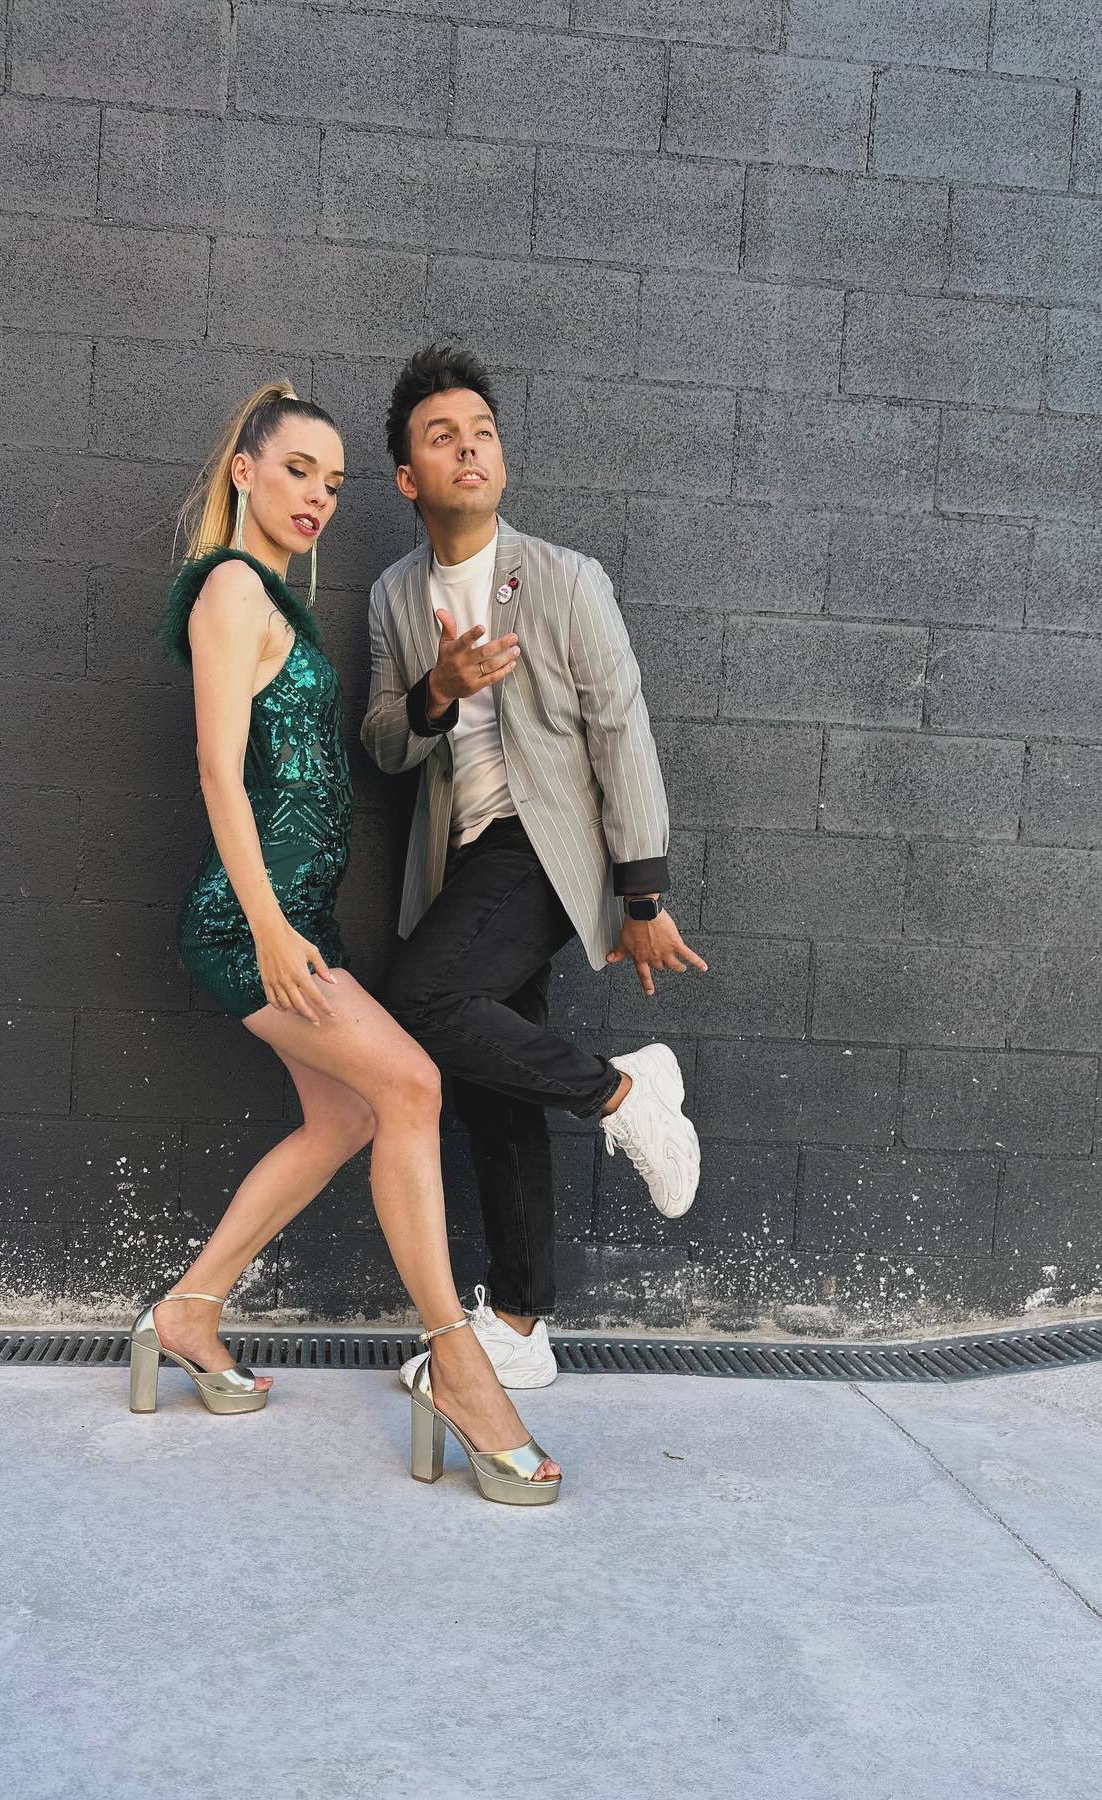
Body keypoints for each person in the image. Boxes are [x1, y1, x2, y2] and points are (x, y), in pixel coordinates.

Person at [132, 379, 561, 1505]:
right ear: (244, 472)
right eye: (296, 472)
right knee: (411, 1084)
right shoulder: (231, 586)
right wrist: (272, 928)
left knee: (349, 1116)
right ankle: (459, 1368)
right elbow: (218, 771)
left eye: (332, 481)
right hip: (253, 922)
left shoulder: (273, 596)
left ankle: (186, 1313)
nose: (318, 496)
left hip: (296, 921)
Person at [361, 345, 706, 1393]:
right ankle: (519, 1322)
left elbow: (621, 731)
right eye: (442, 437)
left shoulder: (565, 578)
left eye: (483, 433)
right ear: (408, 478)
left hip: (545, 850)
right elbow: (383, 742)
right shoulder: (393, 595)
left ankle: (620, 1093)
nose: (469, 448)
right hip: (463, 862)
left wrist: (642, 892)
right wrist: (437, 688)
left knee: (421, 999)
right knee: (491, 1087)